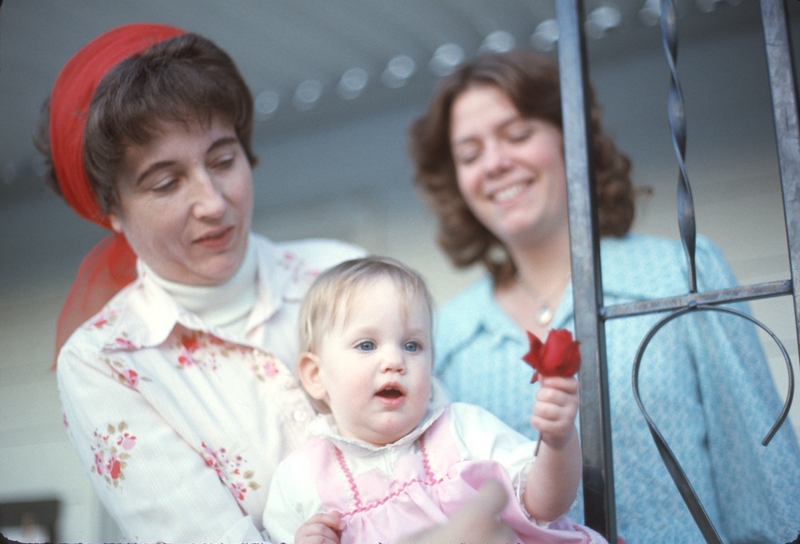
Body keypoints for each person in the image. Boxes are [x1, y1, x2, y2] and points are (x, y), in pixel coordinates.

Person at [37, 24, 511, 543]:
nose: (214, 203)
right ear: (113, 210)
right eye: (167, 182)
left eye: (223, 160)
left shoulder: (340, 271)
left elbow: (449, 446)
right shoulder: (106, 361)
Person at [408, 49, 800, 543]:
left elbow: (762, 473)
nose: (495, 164)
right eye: (469, 154)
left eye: (518, 134)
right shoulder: (446, 336)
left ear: (571, 138)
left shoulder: (679, 274)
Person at [262, 256, 607, 544]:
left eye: (412, 345)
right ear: (315, 376)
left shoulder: (463, 430)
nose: (395, 361)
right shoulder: (300, 478)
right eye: (366, 345)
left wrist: (558, 441)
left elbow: (546, 505)